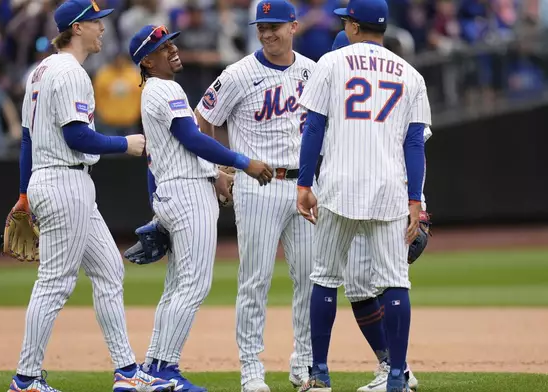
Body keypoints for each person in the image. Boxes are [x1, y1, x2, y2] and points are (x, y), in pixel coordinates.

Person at [6, 1, 176, 391]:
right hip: (65, 181)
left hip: (56, 180)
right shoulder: (70, 72)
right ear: (78, 28)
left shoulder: (39, 71)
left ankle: (127, 374)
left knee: (108, 270)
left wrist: (23, 193)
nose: (103, 28)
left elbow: (28, 141)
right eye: (97, 22)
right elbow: (76, 136)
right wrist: (126, 143)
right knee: (54, 282)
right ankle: (26, 378)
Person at [128, 24, 274, 392]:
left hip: (178, 190)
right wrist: (243, 163)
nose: (173, 50)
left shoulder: (153, 91)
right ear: (147, 59)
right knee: (193, 285)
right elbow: (192, 139)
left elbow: (163, 154)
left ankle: (152, 369)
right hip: (188, 195)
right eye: (163, 47)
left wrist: (213, 176)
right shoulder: (166, 88)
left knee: (177, 286)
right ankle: (163, 371)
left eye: (172, 43)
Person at [295, 0, 431, 390]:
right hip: (390, 190)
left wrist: (305, 184)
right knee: (394, 282)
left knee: (324, 278)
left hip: (338, 186)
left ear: (353, 25)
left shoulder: (331, 64)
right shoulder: (411, 74)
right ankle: (396, 376)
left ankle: (319, 375)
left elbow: (314, 129)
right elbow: (415, 146)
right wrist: (415, 200)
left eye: (346, 19)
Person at [194, 1, 316, 391]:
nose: (266, 33)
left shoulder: (314, 72)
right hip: (258, 186)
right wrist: (218, 170)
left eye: (275, 26)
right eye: (261, 26)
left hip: (303, 185)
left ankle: (305, 363)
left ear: (293, 26)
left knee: (311, 279)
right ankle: (251, 368)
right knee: (255, 280)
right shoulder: (238, 73)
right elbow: (203, 120)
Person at [329, 30, 428, 392]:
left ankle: (395, 370)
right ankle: (393, 368)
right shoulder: (399, 80)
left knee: (373, 282)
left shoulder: (356, 87)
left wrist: (418, 202)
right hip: (367, 199)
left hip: (381, 200)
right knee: (359, 285)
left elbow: (410, 149)